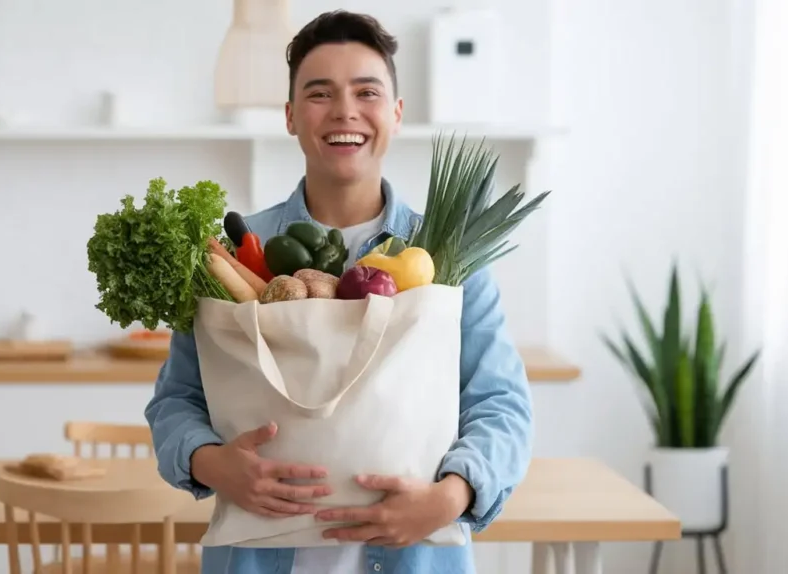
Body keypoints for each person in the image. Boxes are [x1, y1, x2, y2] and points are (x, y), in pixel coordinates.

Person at [144, 10, 534, 574]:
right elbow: (176, 400)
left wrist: (446, 501)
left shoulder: (450, 258)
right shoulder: (227, 255)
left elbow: (502, 404)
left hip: (413, 559)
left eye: (367, 92)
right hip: (258, 558)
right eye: (320, 93)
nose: (345, 111)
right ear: (290, 116)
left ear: (396, 115)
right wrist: (213, 464)